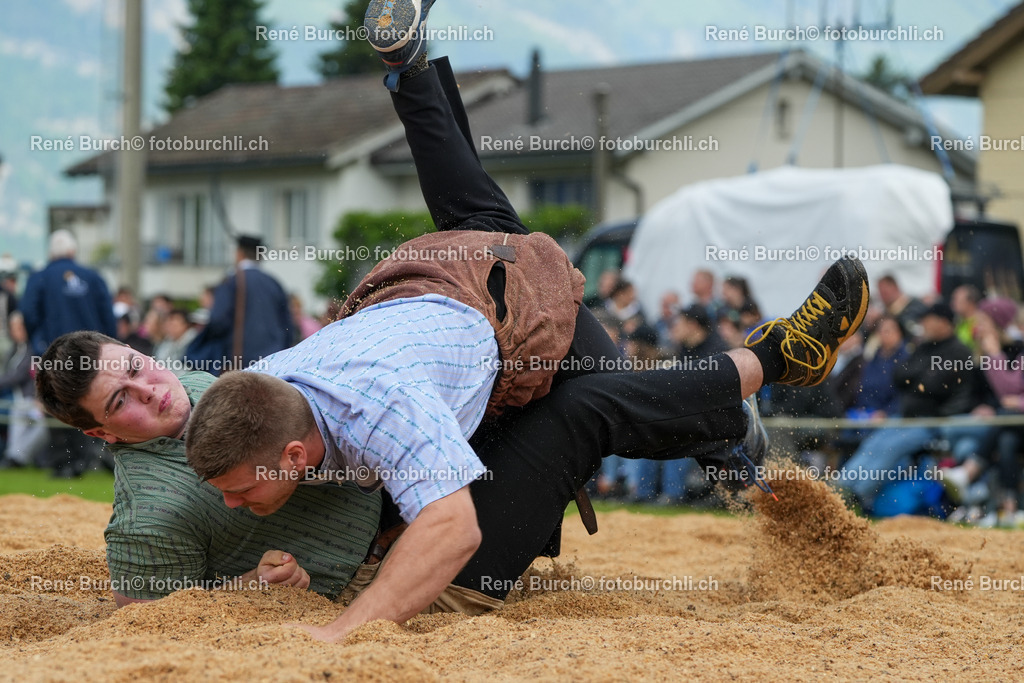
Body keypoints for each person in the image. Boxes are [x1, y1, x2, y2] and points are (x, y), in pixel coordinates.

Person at [185, 0, 870, 643]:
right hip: (436, 572)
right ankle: (763, 380)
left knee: (494, 241)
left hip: (474, 359)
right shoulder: (261, 390)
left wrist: (334, 629)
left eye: (241, 491)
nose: (235, 504)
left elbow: (442, 520)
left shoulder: (379, 406)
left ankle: (740, 411)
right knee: (570, 363)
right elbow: (445, 531)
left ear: (294, 454)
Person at [34, 332, 382, 606]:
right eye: (121, 400)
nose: (148, 391)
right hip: (371, 583)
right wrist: (251, 585)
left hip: (401, 492)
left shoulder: (200, 383)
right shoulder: (145, 516)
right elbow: (146, 621)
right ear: (101, 432)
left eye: (135, 367)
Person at [21, 229, 117, 477]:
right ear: (73, 251)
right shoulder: (93, 278)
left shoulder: (40, 278)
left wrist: (39, 344)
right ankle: (84, 460)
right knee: (88, 403)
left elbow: (29, 313)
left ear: (51, 252)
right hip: (91, 356)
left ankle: (63, 462)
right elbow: (108, 318)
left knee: (56, 405)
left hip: (53, 355)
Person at [186, 235, 292, 375]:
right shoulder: (274, 283)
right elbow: (288, 327)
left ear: (239, 253)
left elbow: (218, 321)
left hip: (240, 362)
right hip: (273, 364)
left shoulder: (232, 281)